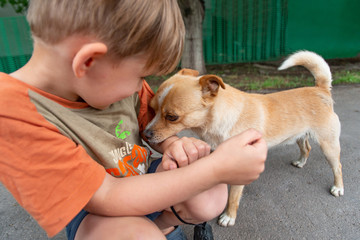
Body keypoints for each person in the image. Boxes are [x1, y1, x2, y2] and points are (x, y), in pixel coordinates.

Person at [0, 0, 268, 239]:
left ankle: (160, 225)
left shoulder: (108, 80)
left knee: (212, 193)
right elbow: (106, 196)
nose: (142, 86)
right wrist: (216, 168)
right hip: (98, 214)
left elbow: (146, 123)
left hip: (141, 177)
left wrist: (173, 144)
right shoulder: (13, 114)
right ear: (89, 62)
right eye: (141, 76)